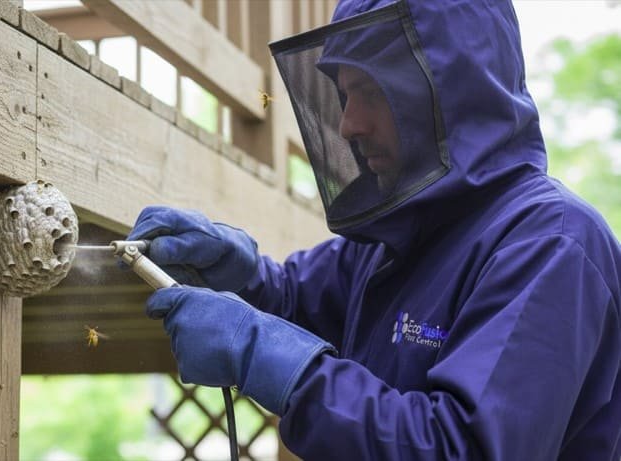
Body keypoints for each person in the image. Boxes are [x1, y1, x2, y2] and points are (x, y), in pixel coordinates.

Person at [127, 0, 621, 459]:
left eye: (370, 91)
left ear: (453, 90)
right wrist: (242, 276)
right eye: (343, 96)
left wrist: (274, 360)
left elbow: (462, 448)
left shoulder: (551, 243)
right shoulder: (400, 232)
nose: (347, 125)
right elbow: (295, 301)